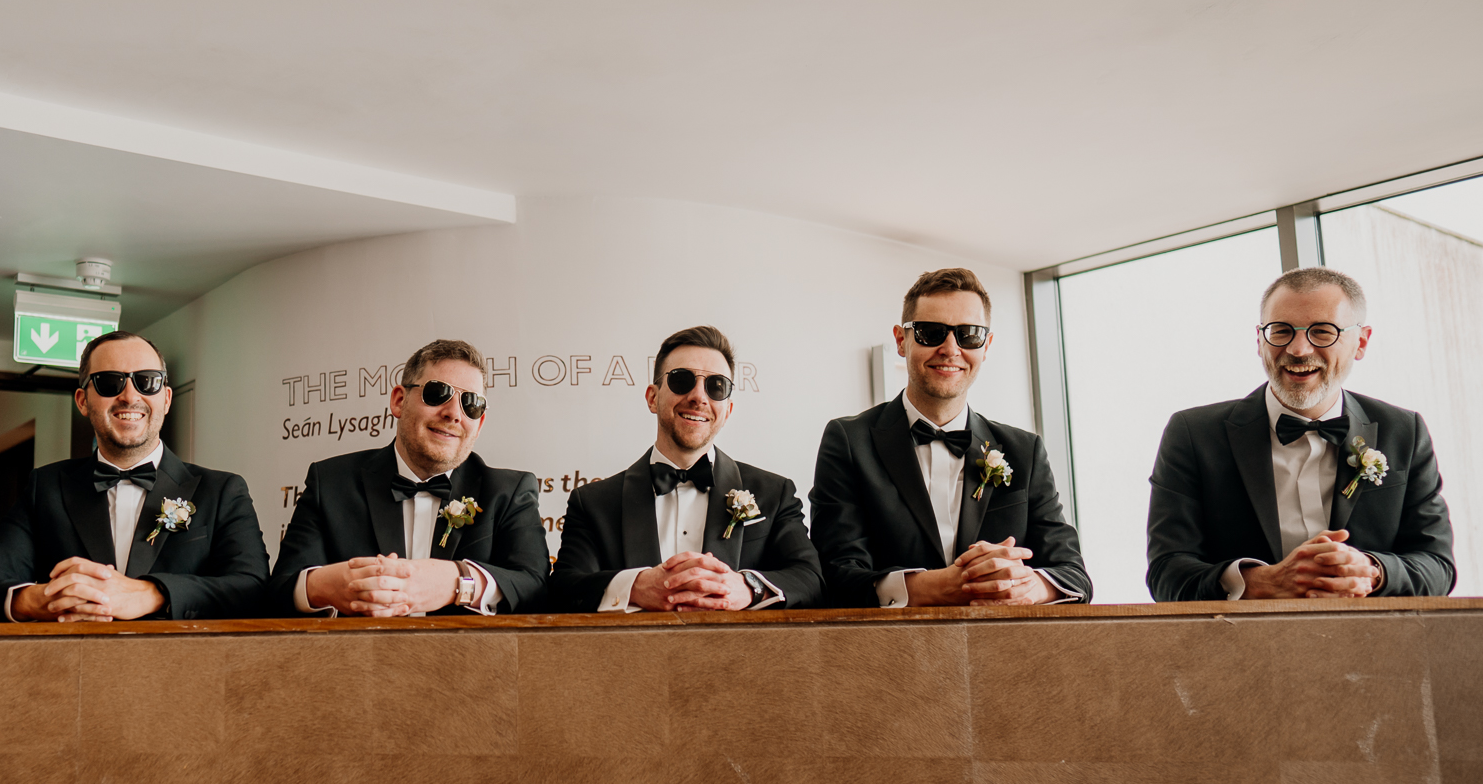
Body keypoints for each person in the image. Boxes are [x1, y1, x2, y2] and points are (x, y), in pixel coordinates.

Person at [1146, 266, 1454, 601]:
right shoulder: (1193, 434)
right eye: (1281, 331)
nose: (1299, 349)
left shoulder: (1404, 431)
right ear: (1260, 339)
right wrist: (1261, 581)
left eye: (1322, 332)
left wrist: (1371, 572)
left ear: (1361, 342)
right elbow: (1167, 573)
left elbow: (1437, 566)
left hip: (1374, 646)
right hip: (1243, 649)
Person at [811, 269, 1091, 607]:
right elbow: (835, 574)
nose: (950, 349)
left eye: (968, 335)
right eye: (931, 333)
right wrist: (936, 586)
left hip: (1002, 652)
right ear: (902, 340)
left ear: (986, 346)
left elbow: (1074, 575)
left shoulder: (1024, 450)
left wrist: (1026, 586)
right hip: (890, 652)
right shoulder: (848, 440)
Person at [0, 330, 269, 621]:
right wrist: (37, 599)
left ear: (166, 398)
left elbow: (253, 588)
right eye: (110, 382)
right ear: (83, 401)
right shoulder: (47, 487)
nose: (129, 395)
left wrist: (154, 593)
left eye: (147, 381)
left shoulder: (223, 490)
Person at [546, 325, 822, 612]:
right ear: (653, 398)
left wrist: (747, 588)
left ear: (727, 410)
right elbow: (564, 590)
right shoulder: (593, 503)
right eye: (682, 380)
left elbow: (811, 579)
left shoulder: (775, 493)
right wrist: (635, 588)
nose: (699, 397)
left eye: (716, 386)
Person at [268, 338, 549, 616]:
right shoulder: (329, 482)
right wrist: (322, 587)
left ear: (479, 424)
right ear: (399, 401)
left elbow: (538, 589)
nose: (454, 414)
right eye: (438, 393)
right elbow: (278, 592)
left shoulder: (510, 492)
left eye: (470, 404)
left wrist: (459, 581)